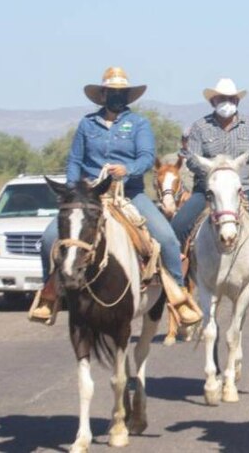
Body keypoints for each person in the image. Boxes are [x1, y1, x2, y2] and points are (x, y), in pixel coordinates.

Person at [30, 67, 201, 326]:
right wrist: (73, 189)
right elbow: (75, 161)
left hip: (129, 194)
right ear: (103, 94)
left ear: (128, 96)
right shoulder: (87, 124)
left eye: (121, 93)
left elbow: (145, 158)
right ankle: (49, 295)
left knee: (166, 239)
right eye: (112, 92)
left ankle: (178, 296)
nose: (116, 97)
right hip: (90, 194)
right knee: (49, 238)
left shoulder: (139, 124)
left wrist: (127, 169)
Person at [170, 78, 249, 247]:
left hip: (243, 188)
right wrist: (216, 171)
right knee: (178, 226)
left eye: (231, 99)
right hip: (206, 190)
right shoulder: (200, 126)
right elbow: (191, 159)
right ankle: (178, 270)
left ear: (237, 101)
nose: (227, 102)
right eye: (221, 99)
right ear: (213, 101)